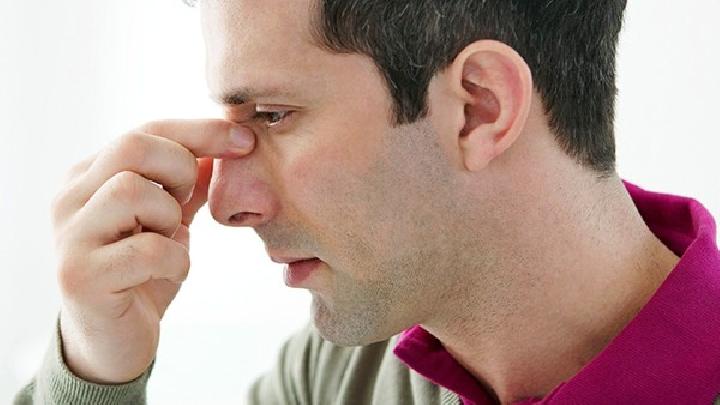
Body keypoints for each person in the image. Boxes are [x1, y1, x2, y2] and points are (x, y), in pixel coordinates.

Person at [13, 0, 720, 404]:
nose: (223, 204)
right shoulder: (343, 377)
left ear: (478, 108)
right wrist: (95, 368)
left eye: (273, 115)